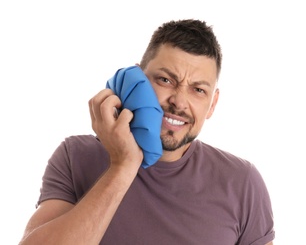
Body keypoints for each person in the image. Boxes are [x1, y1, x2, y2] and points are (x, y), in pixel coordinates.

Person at [19, 19, 275, 244]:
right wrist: (123, 166)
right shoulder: (75, 156)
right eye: (166, 80)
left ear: (213, 104)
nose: (179, 102)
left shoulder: (242, 182)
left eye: (198, 90)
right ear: (136, 79)